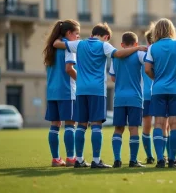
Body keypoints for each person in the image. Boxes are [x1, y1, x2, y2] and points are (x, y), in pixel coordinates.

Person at [53, 23, 147, 169]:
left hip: (81, 89)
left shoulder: (79, 44)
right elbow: (119, 54)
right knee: (96, 125)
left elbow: (57, 44)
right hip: (97, 90)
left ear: (92, 34)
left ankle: (78, 160)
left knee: (81, 125)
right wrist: (138, 47)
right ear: (106, 37)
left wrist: (59, 39)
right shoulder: (104, 46)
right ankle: (96, 160)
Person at [144, 18, 176, 168]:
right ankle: (172, 159)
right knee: (174, 125)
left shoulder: (152, 48)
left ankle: (160, 160)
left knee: (158, 124)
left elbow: (147, 69)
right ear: (171, 30)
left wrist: (157, 79)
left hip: (158, 90)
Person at [43, 19, 80, 167]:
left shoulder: (51, 48)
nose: (78, 37)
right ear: (69, 33)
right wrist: (81, 80)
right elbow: (69, 69)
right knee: (70, 125)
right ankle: (71, 158)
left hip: (52, 92)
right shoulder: (69, 47)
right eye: (76, 33)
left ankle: (56, 159)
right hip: (66, 91)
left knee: (55, 125)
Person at [109, 32, 147, 168]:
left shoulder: (115, 57)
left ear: (122, 44)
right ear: (136, 44)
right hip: (135, 97)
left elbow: (112, 78)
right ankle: (133, 160)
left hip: (119, 97)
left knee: (118, 129)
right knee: (133, 128)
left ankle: (117, 160)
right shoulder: (139, 54)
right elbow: (149, 65)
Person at [142, 26, 155, 164]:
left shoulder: (142, 54)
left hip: (144, 94)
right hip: (158, 92)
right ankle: (167, 155)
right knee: (164, 125)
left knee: (147, 126)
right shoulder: (159, 53)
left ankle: (150, 156)